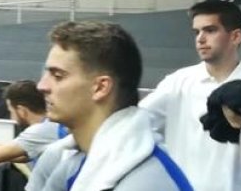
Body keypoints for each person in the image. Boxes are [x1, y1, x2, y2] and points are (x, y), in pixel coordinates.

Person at [28, 21, 192, 191]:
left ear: (100, 88)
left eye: (58, 76)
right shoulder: (73, 165)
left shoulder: (144, 182)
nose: (42, 86)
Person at [141, 1, 241, 191]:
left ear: (236, 36)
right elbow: (137, 123)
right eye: (196, 32)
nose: (200, 39)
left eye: (210, 30)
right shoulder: (177, 83)